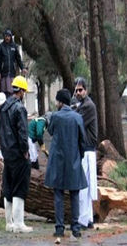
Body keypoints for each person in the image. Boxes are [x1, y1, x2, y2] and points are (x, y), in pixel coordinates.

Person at [45, 88, 87, 238]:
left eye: (57, 100)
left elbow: (50, 131)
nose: (56, 103)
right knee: (74, 194)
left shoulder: (56, 117)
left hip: (57, 161)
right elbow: (83, 141)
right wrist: (79, 157)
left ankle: (59, 228)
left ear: (61, 102)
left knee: (58, 195)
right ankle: (75, 228)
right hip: (73, 160)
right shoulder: (77, 118)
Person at [0, 75, 32, 233]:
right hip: (19, 154)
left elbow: (1, 132)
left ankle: (9, 223)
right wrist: (25, 151)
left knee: (8, 187)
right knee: (19, 187)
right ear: (22, 91)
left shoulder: (3, 107)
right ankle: (19, 223)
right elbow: (22, 133)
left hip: (7, 153)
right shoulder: (20, 108)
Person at [74, 77, 98, 230]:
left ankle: (83, 220)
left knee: (83, 187)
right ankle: (88, 218)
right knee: (87, 187)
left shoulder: (88, 106)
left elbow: (76, 120)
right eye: (76, 90)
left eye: (80, 90)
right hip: (88, 150)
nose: (77, 92)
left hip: (87, 151)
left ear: (86, 90)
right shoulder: (84, 104)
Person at [0, 29, 28, 97]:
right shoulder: (1, 47)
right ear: (4, 37)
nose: (7, 38)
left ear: (10, 37)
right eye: (6, 36)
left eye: (8, 36)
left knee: (12, 91)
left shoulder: (14, 46)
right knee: (4, 92)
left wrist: (23, 68)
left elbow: (18, 58)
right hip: (3, 74)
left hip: (12, 74)